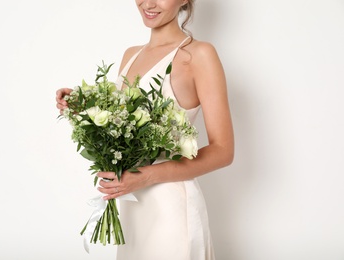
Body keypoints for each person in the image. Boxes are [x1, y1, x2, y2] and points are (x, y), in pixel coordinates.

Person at [56, 0, 234, 259]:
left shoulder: (199, 55)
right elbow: (123, 122)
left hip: (170, 207)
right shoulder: (131, 55)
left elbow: (223, 151)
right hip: (132, 205)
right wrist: (84, 107)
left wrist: (146, 176)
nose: (148, 3)